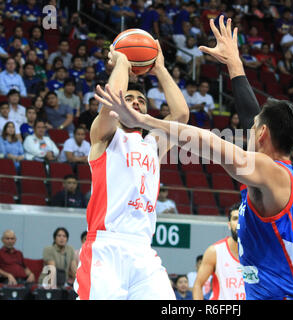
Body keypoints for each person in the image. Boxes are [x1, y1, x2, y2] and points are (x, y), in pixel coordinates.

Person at [95, 16, 293, 300]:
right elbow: (252, 114)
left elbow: (210, 143)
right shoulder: (275, 167)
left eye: (254, 127)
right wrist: (234, 64)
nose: (247, 128)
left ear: (261, 135)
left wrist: (145, 119)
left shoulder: (270, 170)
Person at [74, 40, 189, 300]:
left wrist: (159, 68)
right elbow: (110, 103)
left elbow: (181, 116)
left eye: (141, 100)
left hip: (143, 251)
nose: (136, 102)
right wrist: (123, 64)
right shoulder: (104, 137)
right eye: (130, 98)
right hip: (106, 244)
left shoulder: (153, 144)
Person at [193, 203, 246, 300]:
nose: (239, 222)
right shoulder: (215, 251)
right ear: (229, 225)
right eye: (235, 218)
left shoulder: (261, 253)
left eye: (243, 218)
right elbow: (198, 285)